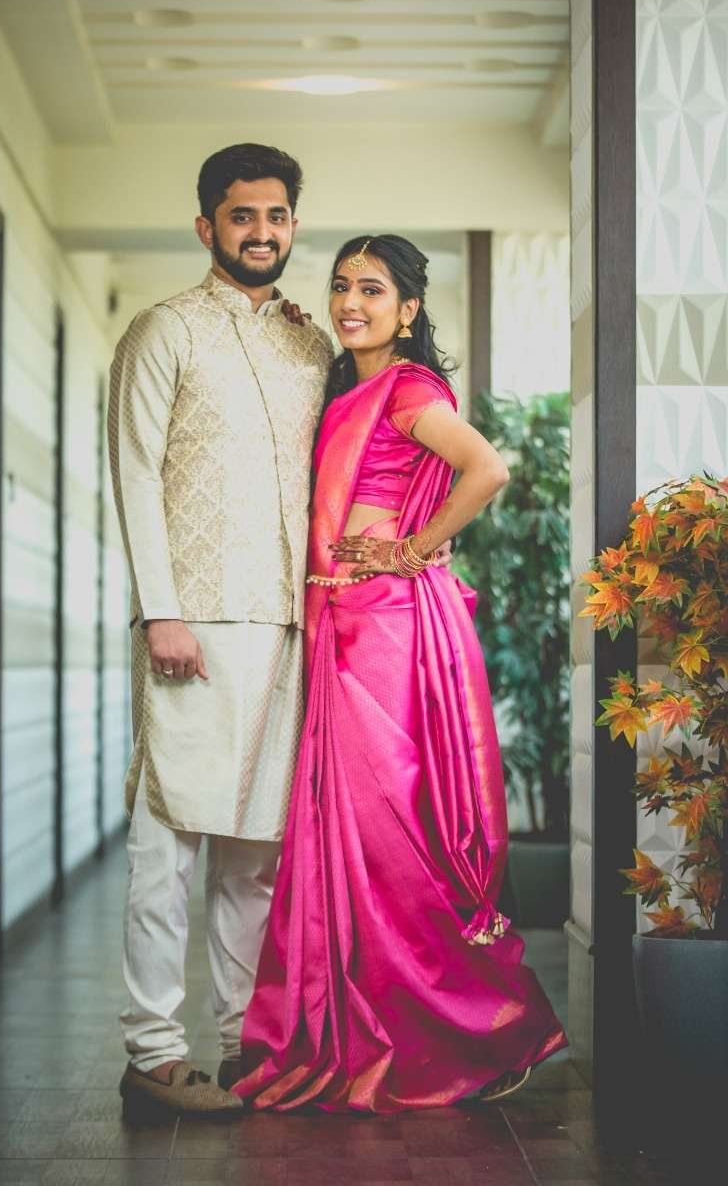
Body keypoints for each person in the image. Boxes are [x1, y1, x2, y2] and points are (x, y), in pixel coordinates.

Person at [235, 234, 568, 1114]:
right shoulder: (346, 387)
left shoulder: (409, 389)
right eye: (342, 286)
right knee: (344, 837)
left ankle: (484, 1031)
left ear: (409, 308)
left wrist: (412, 548)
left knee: (389, 834)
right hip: (336, 620)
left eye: (373, 289)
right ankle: (371, 1031)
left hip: (382, 624)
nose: (352, 302)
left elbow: (487, 468)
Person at [108, 143, 335, 1117]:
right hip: (191, 621)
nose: (261, 232)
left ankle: (247, 1042)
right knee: (169, 841)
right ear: (207, 225)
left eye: (276, 216)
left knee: (257, 851)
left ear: (292, 225)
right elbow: (133, 470)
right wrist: (161, 608)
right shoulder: (163, 329)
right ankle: (154, 1052)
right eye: (243, 215)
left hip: (288, 622)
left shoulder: (309, 346)